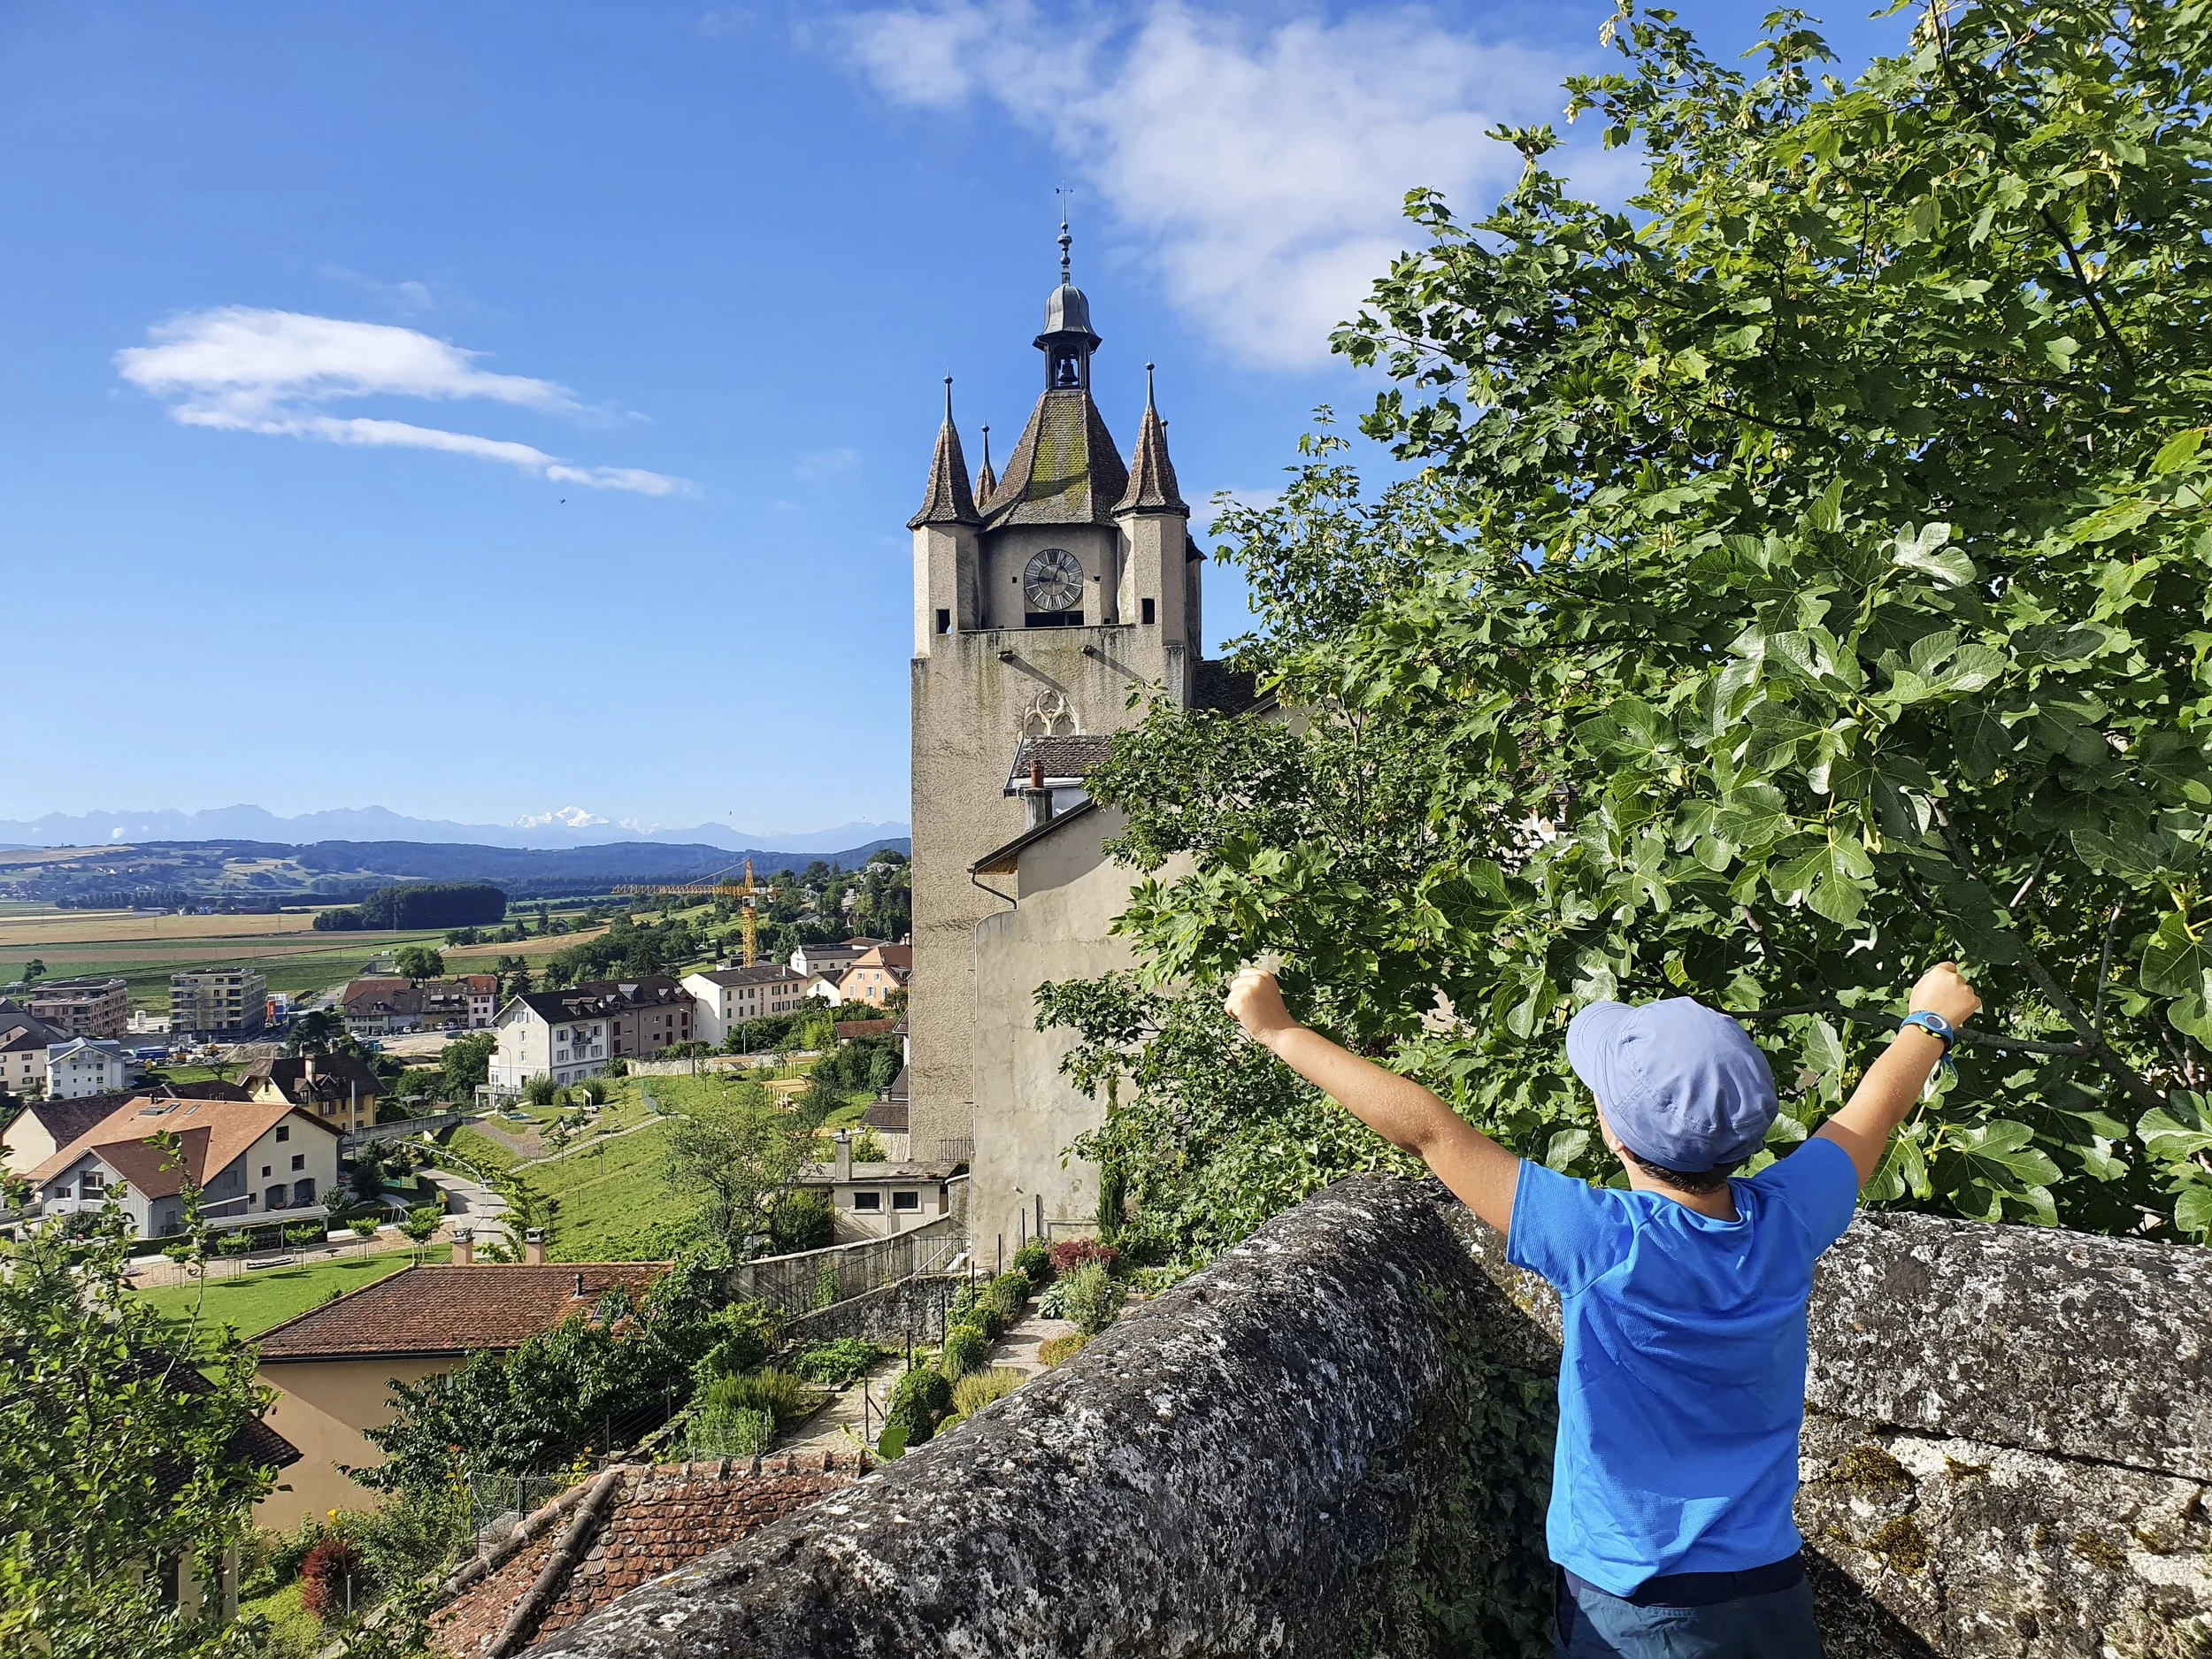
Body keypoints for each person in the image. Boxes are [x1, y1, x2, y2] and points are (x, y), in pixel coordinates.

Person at [1225, 960, 1981, 1657]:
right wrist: (1931, 1021)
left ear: (1612, 1132)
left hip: (1637, 1600)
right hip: (1768, 1584)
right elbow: (1869, 1111)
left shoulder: (1601, 1239)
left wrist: (1279, 1030)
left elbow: (1427, 1129)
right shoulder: (1791, 1216)